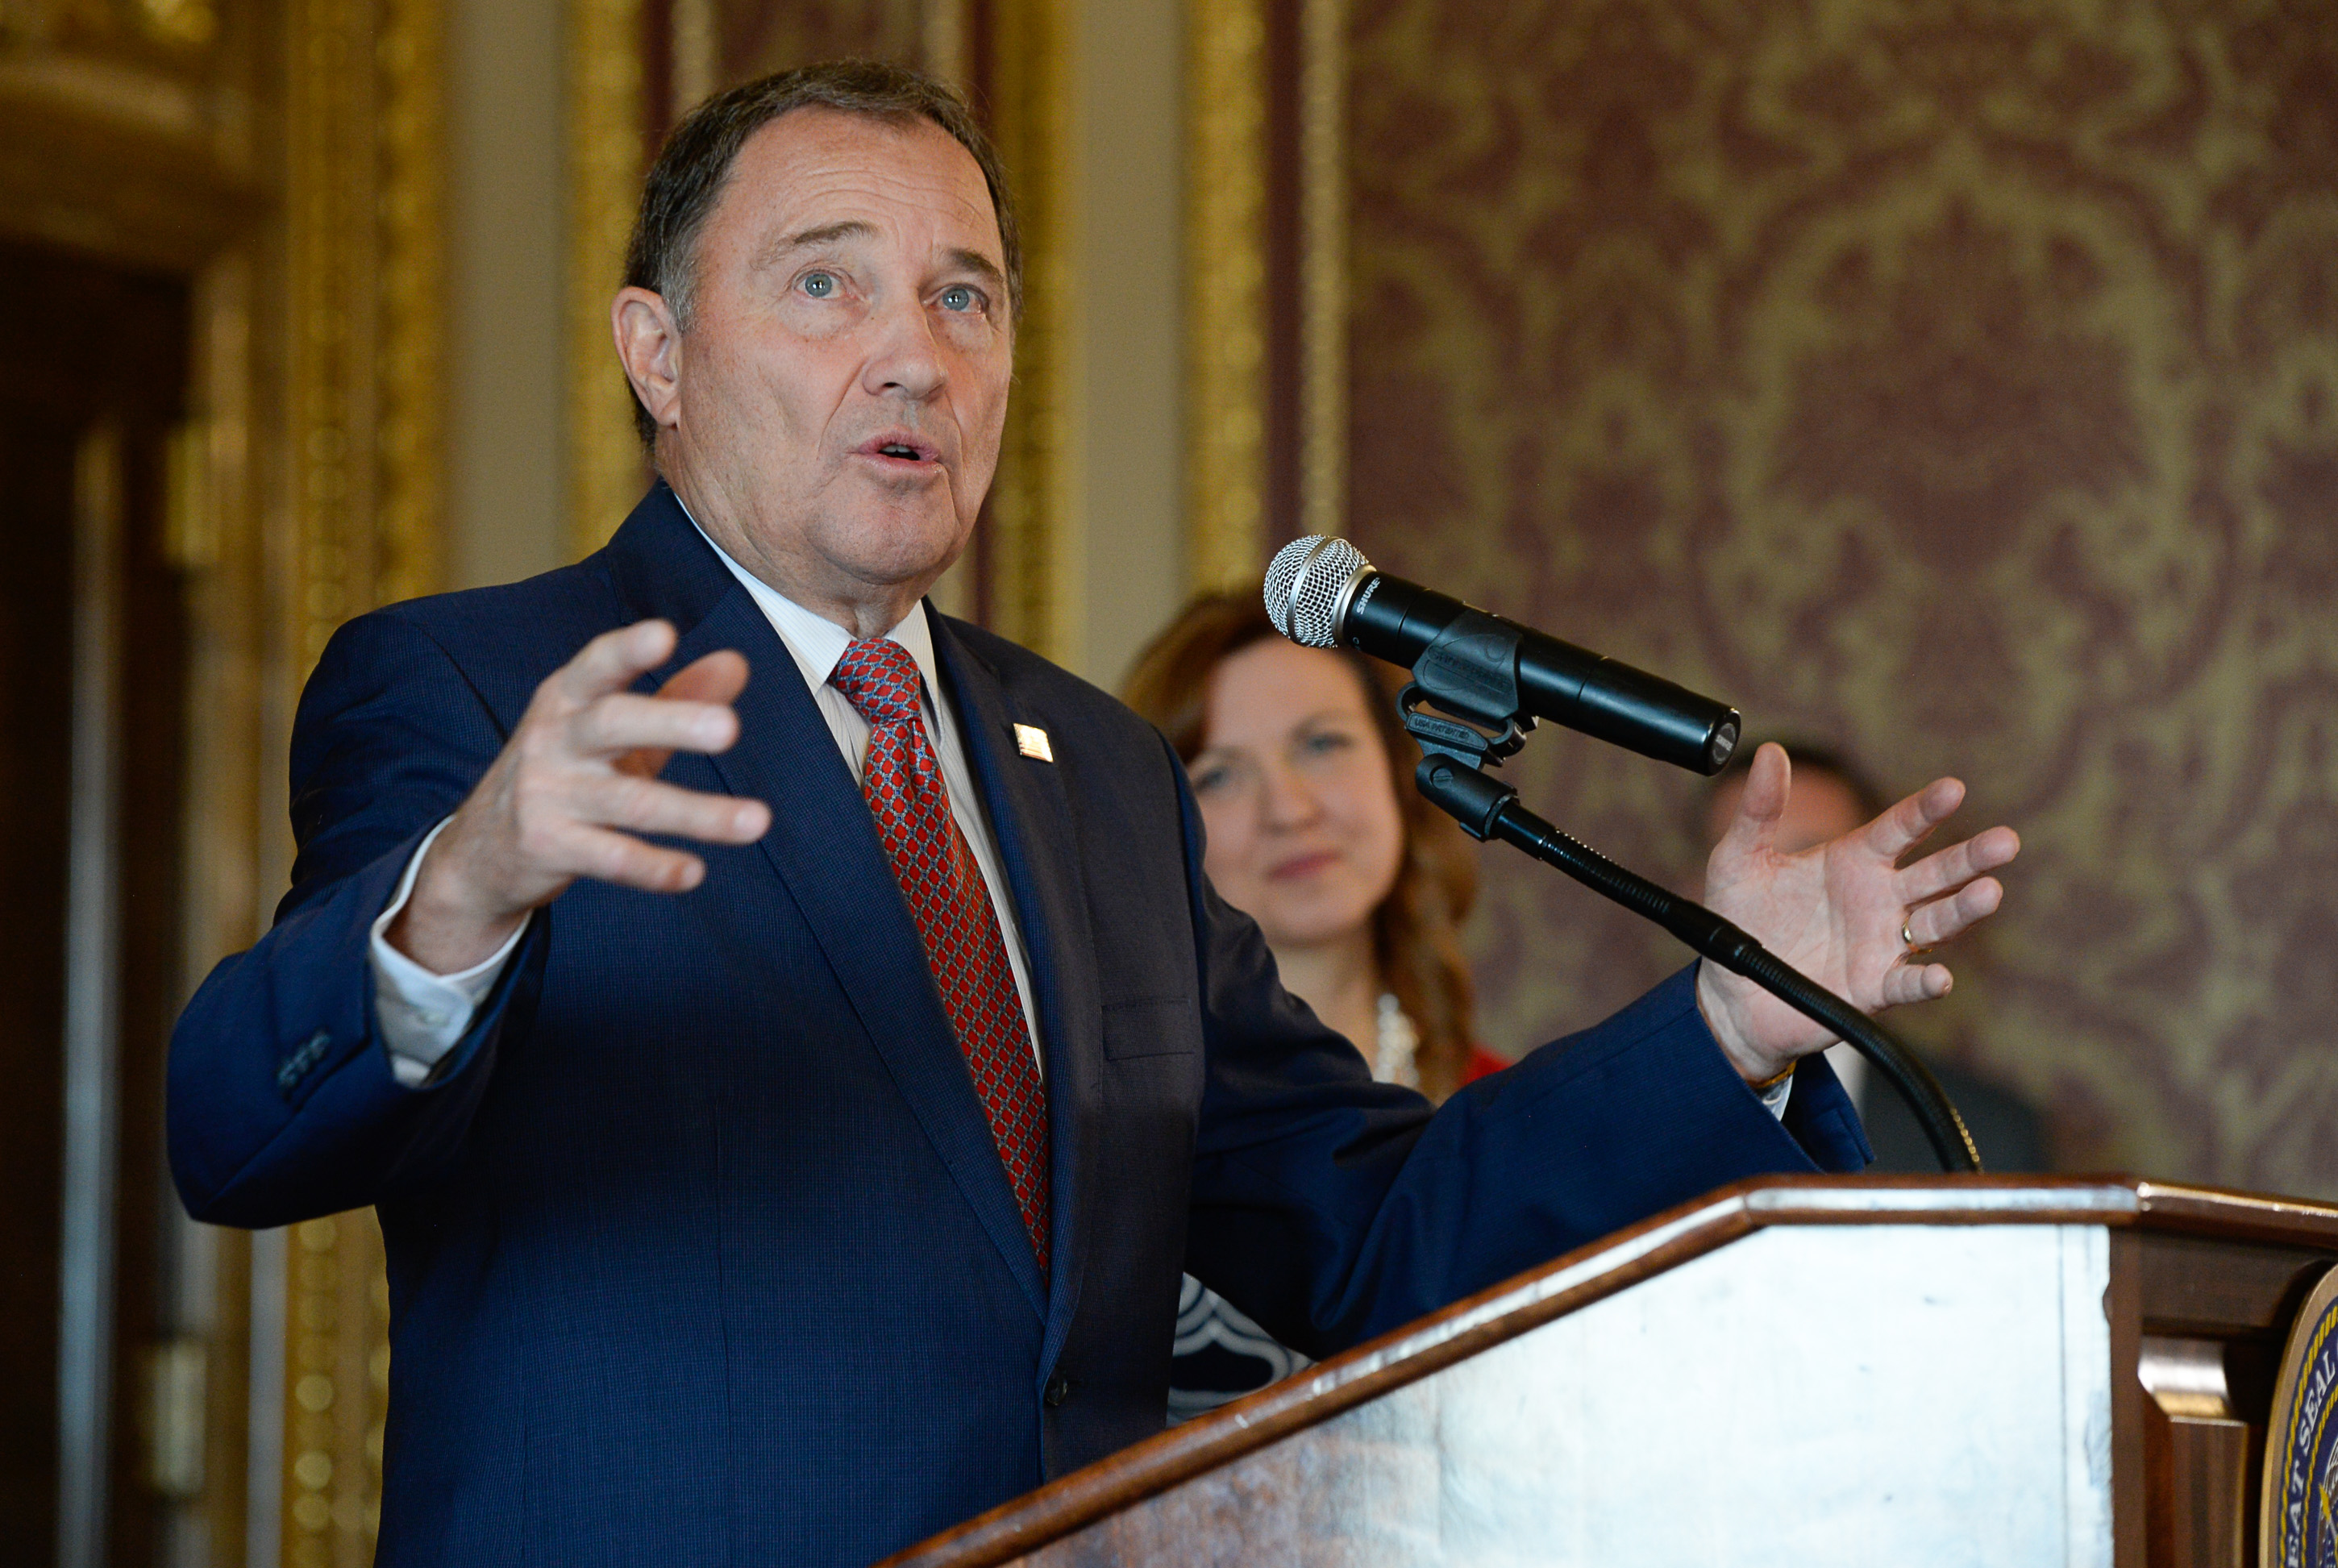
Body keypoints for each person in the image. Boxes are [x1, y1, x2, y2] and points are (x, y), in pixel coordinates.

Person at [164, 61, 2019, 1567]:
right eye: (824, 283)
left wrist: (1729, 1017)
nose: (915, 353)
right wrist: (463, 891)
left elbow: (1366, 1232)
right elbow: (239, 1134)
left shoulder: (1099, 775)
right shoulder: (480, 690)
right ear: (657, 352)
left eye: (963, 296)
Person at [1122, 591, 1503, 1416]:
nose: (1290, 809)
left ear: (1401, 773)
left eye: (1322, 744)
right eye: (1219, 774)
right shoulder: (1113, 1143)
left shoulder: (1499, 1111)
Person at [1704, 742, 2046, 1171]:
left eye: (1810, 862)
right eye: (1745, 869)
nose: (1776, 903)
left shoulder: (1991, 1131)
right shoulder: (1629, 1109)